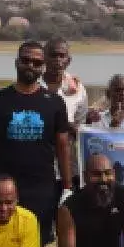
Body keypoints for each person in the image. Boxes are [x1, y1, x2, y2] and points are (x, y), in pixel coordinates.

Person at [0, 42, 71, 247]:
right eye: (26, 60)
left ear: (43, 67)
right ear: (16, 62)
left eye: (37, 62)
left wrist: (68, 187)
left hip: (41, 187)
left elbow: (63, 147)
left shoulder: (54, 102)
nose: (30, 65)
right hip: (2, 187)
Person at [43, 38, 87, 184]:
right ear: (44, 57)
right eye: (53, 55)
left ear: (68, 60)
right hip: (39, 164)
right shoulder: (33, 85)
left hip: (68, 166)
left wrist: (67, 126)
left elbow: (81, 128)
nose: (58, 60)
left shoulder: (78, 88)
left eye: (62, 56)